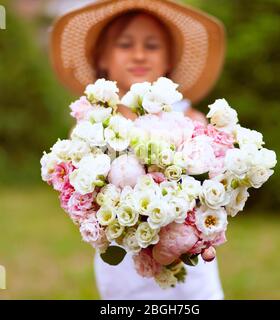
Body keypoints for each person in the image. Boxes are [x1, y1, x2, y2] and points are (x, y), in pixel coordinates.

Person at [50, 0, 226, 300]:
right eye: (125, 44)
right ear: (102, 59)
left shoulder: (190, 121)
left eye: (153, 45)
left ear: (169, 59)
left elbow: (215, 179)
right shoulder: (94, 127)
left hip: (188, 259)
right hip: (125, 262)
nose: (140, 54)